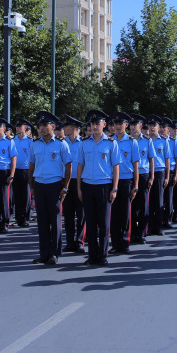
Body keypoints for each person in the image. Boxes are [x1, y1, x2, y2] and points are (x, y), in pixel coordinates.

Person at [75, 110, 120, 266]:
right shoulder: (84, 143)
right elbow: (80, 166)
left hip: (104, 186)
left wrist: (114, 188)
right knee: (91, 222)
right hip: (88, 185)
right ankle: (92, 255)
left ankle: (102, 255)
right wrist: (79, 188)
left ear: (104, 125)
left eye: (97, 123)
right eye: (92, 124)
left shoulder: (111, 143)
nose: (94, 126)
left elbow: (115, 167)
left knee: (104, 223)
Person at [28, 112, 73, 265]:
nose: (41, 129)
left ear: (53, 127)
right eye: (40, 126)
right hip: (40, 184)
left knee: (55, 220)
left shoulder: (61, 144)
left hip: (55, 185)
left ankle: (54, 253)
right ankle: (44, 253)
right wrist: (32, 187)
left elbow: (68, 167)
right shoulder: (34, 144)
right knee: (42, 221)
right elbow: (31, 166)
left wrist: (65, 187)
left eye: (44, 126)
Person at [109, 112, 140, 254]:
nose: (118, 126)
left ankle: (125, 242)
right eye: (116, 124)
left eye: (120, 124)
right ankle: (115, 243)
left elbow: (136, 165)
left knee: (126, 213)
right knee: (114, 214)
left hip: (127, 180)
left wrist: (136, 185)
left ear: (126, 125)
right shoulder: (109, 141)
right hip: (113, 181)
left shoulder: (132, 141)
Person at [61, 116, 86, 250]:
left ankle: (79, 241)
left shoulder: (83, 142)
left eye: (67, 126)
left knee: (81, 213)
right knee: (68, 213)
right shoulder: (63, 143)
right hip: (67, 180)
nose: (64, 128)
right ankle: (70, 242)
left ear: (74, 128)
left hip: (80, 180)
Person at [130, 114, 154, 244]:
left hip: (143, 174)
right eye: (131, 125)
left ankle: (141, 233)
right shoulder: (127, 140)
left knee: (143, 204)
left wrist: (152, 176)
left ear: (140, 126)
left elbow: (151, 159)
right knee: (132, 206)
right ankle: (133, 233)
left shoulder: (147, 140)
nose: (133, 128)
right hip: (131, 175)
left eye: (135, 125)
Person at [11, 118, 33, 227]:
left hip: (26, 169)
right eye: (17, 127)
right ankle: (18, 217)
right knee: (17, 195)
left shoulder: (30, 141)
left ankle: (24, 217)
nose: (18, 128)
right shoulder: (13, 140)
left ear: (25, 128)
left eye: (20, 126)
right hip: (15, 169)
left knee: (25, 195)